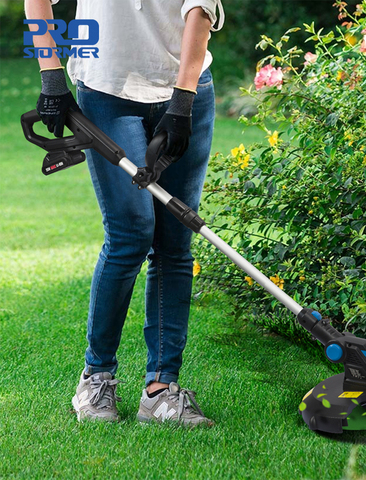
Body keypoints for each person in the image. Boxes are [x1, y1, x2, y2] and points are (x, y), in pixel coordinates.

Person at [25, 0, 224, 426]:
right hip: (106, 92)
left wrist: (184, 98)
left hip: (186, 88)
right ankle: (96, 378)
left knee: (174, 242)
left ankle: (161, 389)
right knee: (130, 233)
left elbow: (200, 9)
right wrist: (51, 75)